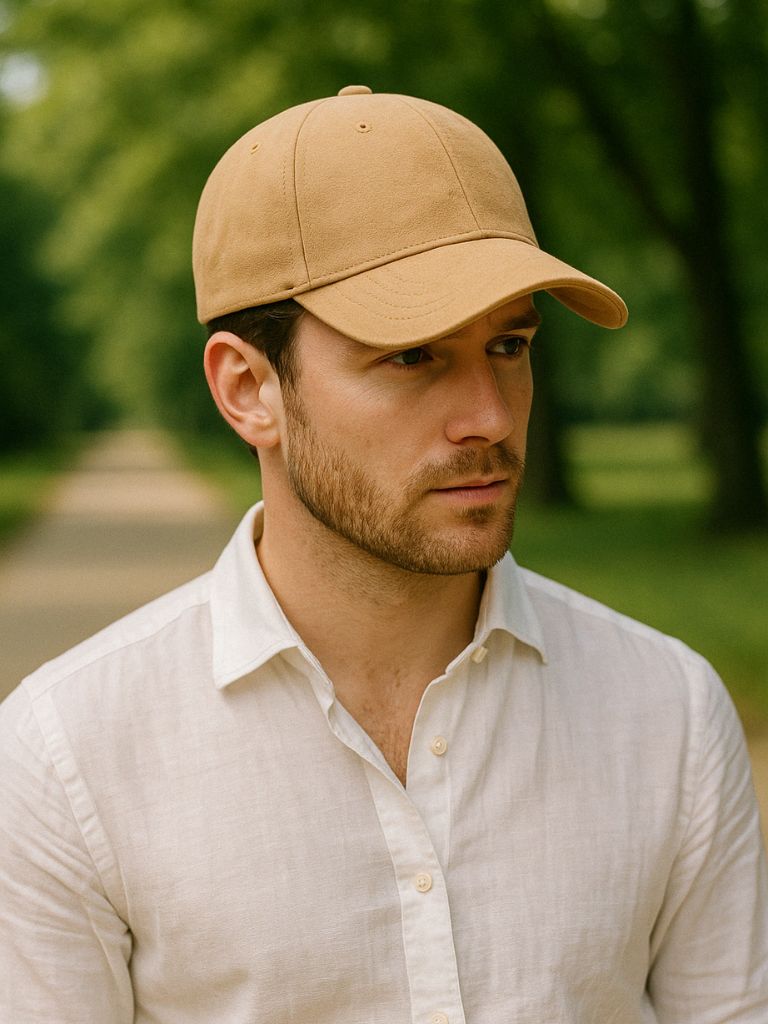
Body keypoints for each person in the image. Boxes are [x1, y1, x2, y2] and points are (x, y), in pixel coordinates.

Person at [1, 85, 766, 1023]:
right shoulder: (68, 755)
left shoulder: (669, 716)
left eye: (511, 343)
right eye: (412, 357)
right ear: (249, 389)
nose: (489, 416)